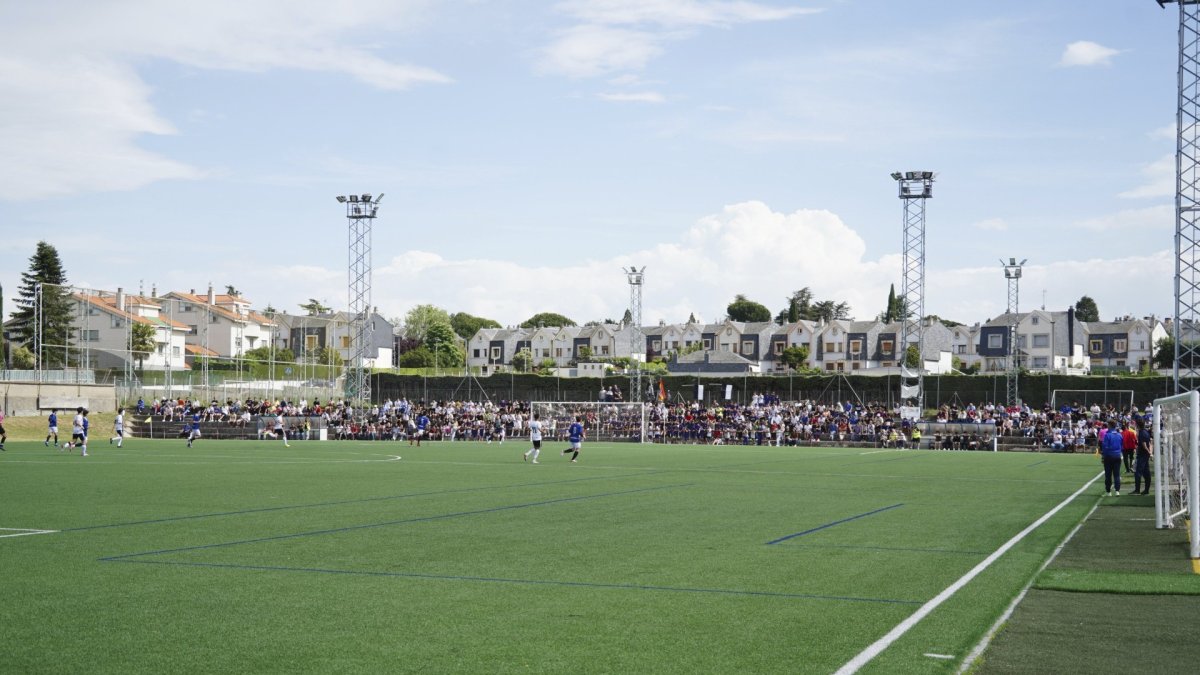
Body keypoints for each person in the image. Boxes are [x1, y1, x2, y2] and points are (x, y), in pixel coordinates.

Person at [1099, 419, 1125, 496]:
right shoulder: (1119, 435)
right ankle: (1117, 491)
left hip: (1109, 456)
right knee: (1116, 474)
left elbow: (1105, 447)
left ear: (1110, 425)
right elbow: (1122, 446)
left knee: (1108, 474)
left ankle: (1108, 491)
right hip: (1117, 455)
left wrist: (1103, 456)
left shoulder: (1107, 435)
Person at [1134, 418, 1153, 495]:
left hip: (1142, 455)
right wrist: (1150, 452)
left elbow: (1144, 445)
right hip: (1145, 454)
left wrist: (1149, 452)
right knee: (1146, 472)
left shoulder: (1142, 433)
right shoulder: (1146, 432)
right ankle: (1146, 490)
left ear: (1137, 425)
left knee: (1138, 473)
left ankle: (1137, 490)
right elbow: (1151, 442)